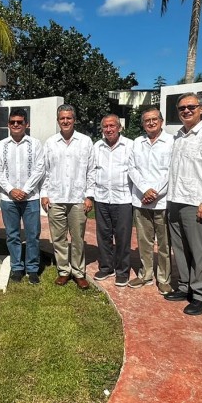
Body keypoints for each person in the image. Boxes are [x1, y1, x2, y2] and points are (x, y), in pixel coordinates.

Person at [165, 93, 202, 316]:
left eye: (191, 107)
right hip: (176, 200)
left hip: (197, 203)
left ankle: (201, 296)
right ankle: (185, 286)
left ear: (201, 109)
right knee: (180, 248)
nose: (186, 111)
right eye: (182, 108)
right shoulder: (179, 136)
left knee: (199, 251)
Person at [41, 104, 94, 290]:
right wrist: (44, 194)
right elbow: (45, 171)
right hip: (55, 197)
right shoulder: (50, 143)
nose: (65, 121)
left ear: (74, 119)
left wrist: (89, 196)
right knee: (59, 238)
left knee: (78, 237)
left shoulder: (86, 141)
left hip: (78, 198)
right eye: (62, 118)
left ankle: (79, 272)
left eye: (69, 118)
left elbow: (91, 171)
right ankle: (64, 271)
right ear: (58, 121)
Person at [0, 107, 45, 284]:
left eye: (19, 122)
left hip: (30, 198)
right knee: (13, 234)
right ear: (8, 124)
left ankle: (32, 269)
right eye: (12, 122)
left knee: (32, 234)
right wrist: (10, 190)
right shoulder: (1, 145)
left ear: (26, 124)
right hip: (9, 198)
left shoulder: (35, 144)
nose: (16, 125)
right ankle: (17, 267)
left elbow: (40, 168)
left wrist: (25, 190)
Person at [128, 107, 174, 293]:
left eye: (155, 119)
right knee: (144, 241)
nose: (151, 122)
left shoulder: (172, 141)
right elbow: (132, 168)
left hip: (162, 201)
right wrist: (145, 190)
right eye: (147, 120)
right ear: (143, 123)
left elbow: (172, 170)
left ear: (161, 121)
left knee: (164, 244)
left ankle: (163, 278)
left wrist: (155, 192)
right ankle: (145, 274)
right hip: (141, 200)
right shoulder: (137, 142)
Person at [88, 114, 133, 287]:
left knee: (122, 236)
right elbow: (92, 171)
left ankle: (122, 270)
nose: (108, 129)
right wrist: (90, 195)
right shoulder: (97, 146)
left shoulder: (130, 145)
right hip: (102, 198)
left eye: (112, 126)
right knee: (103, 235)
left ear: (119, 127)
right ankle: (106, 267)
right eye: (105, 126)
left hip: (123, 198)